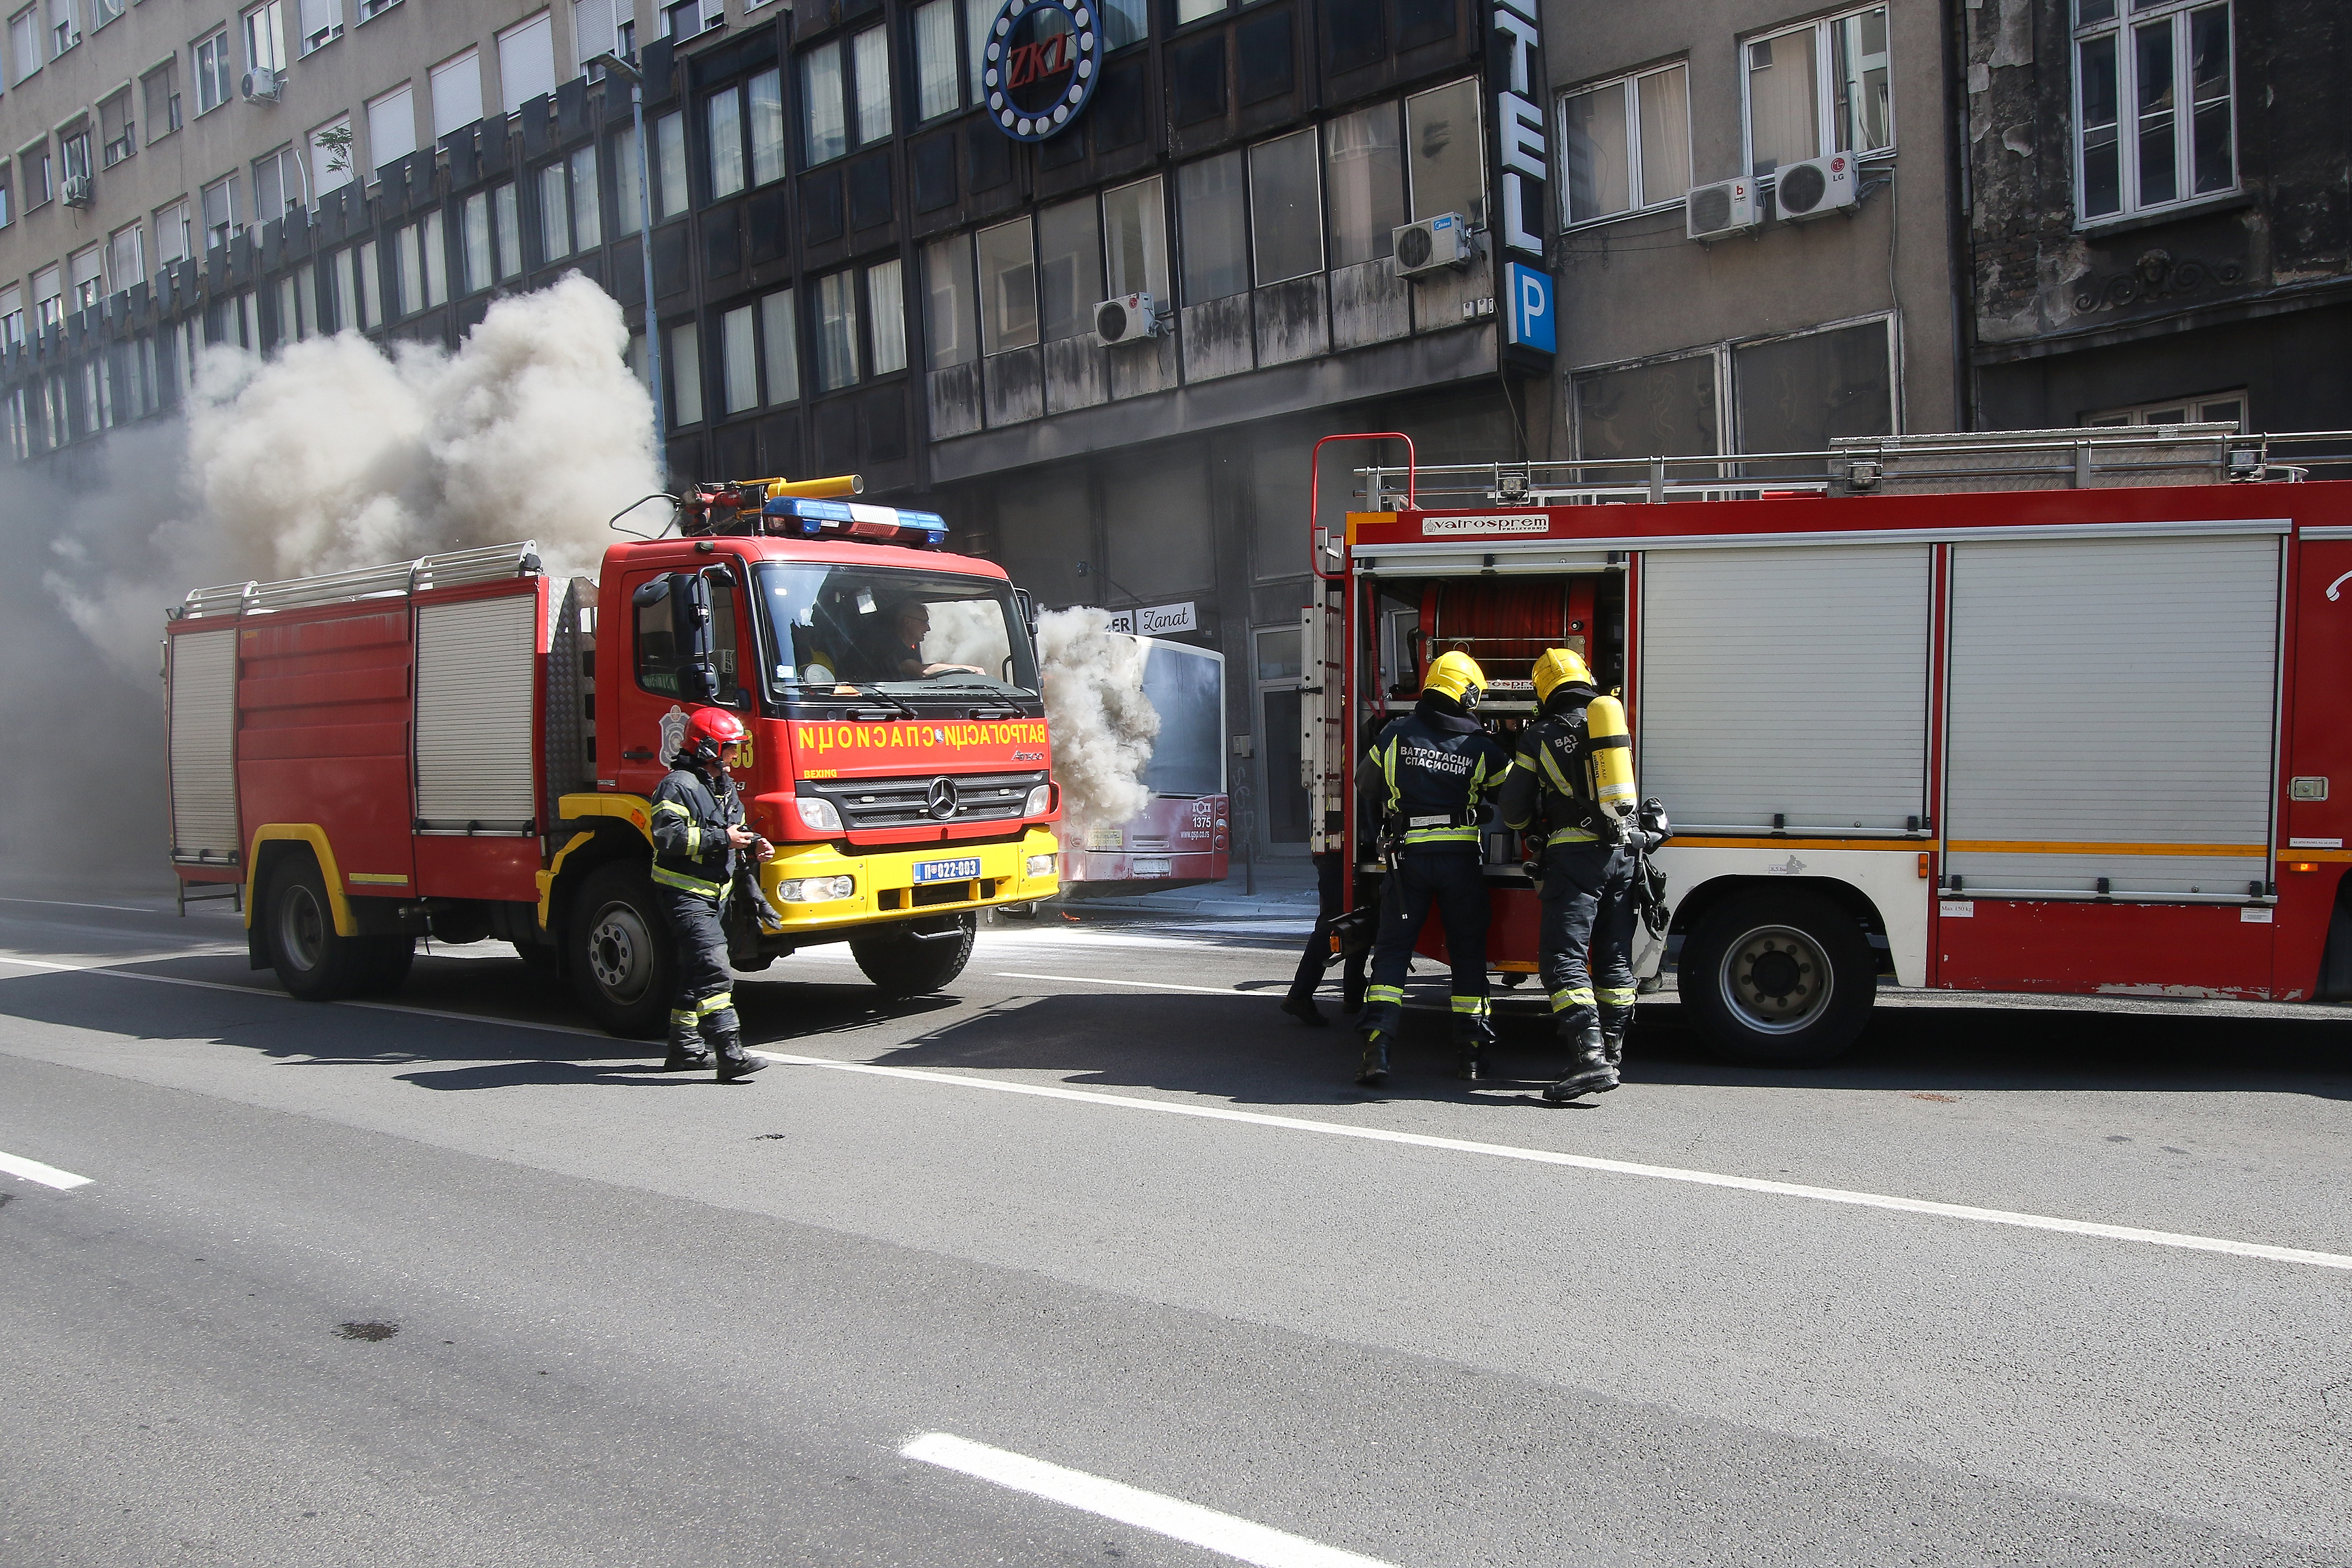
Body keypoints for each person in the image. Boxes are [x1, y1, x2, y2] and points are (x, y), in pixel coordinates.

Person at [1352, 651, 1512, 1086]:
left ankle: (1377, 1050)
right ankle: (1472, 1054)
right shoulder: (1481, 747)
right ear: (1466, 692)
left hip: (1408, 864)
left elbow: (1365, 783)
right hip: (1460, 864)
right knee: (1466, 954)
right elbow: (1514, 799)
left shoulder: (1396, 733)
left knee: (1392, 953)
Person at [1497, 648, 1641, 1103]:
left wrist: (1532, 829)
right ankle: (1612, 1055)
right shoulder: (1608, 726)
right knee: (1615, 959)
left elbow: (1514, 808)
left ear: (1544, 690)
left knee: (1563, 959)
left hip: (1575, 859)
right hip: (1623, 853)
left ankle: (1589, 1060)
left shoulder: (1539, 736)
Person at [650, 706, 775, 1082]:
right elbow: (667, 837)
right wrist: (725, 838)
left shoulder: (721, 786)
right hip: (683, 893)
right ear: (707, 748)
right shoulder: (678, 785)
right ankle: (730, 1052)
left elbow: (735, 830)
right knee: (713, 969)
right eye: (730, 749)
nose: (735, 756)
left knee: (694, 971)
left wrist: (754, 844)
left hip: (715, 893)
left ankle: (684, 1049)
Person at [1280, 847, 1378, 1026]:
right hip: (1340, 854)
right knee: (1333, 925)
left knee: (1361, 918)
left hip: (1345, 853)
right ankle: (1299, 996)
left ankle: (1353, 996)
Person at [887, 600, 984, 679]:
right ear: (907, 621)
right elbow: (922, 671)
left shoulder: (912, 653)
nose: (928, 628)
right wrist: (969, 669)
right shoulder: (891, 650)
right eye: (924, 622)